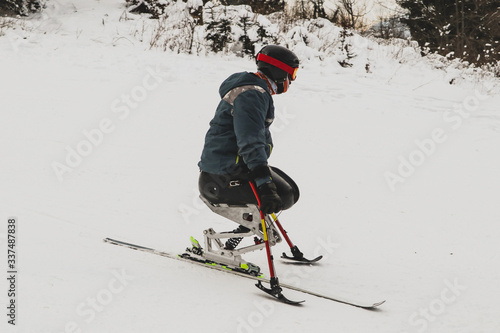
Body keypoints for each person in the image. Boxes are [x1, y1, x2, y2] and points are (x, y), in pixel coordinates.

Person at [198, 45, 300, 249]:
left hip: (231, 168)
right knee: (283, 194)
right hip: (222, 177)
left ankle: (247, 227)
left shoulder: (256, 90)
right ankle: (244, 231)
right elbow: (250, 140)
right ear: (280, 72)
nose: (292, 80)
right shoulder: (252, 95)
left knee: (290, 191)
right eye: (293, 74)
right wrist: (263, 182)